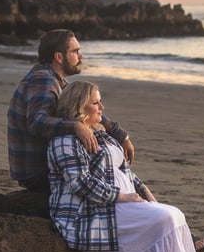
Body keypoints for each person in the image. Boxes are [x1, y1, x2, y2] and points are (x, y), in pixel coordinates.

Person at [47, 80, 204, 252]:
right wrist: (122, 197)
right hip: (92, 209)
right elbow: (80, 184)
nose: (102, 107)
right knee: (165, 219)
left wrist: (148, 196)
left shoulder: (101, 135)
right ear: (79, 107)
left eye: (101, 101)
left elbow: (126, 172)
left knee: (172, 213)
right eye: (95, 102)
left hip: (121, 201)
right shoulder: (65, 141)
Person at [7, 29, 134, 193]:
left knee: (109, 165)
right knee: (107, 168)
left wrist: (120, 134)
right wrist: (75, 126)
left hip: (45, 167)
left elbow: (85, 110)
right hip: (39, 173)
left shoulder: (55, 80)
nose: (80, 56)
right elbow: (36, 122)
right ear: (58, 57)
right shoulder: (44, 80)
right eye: (75, 51)